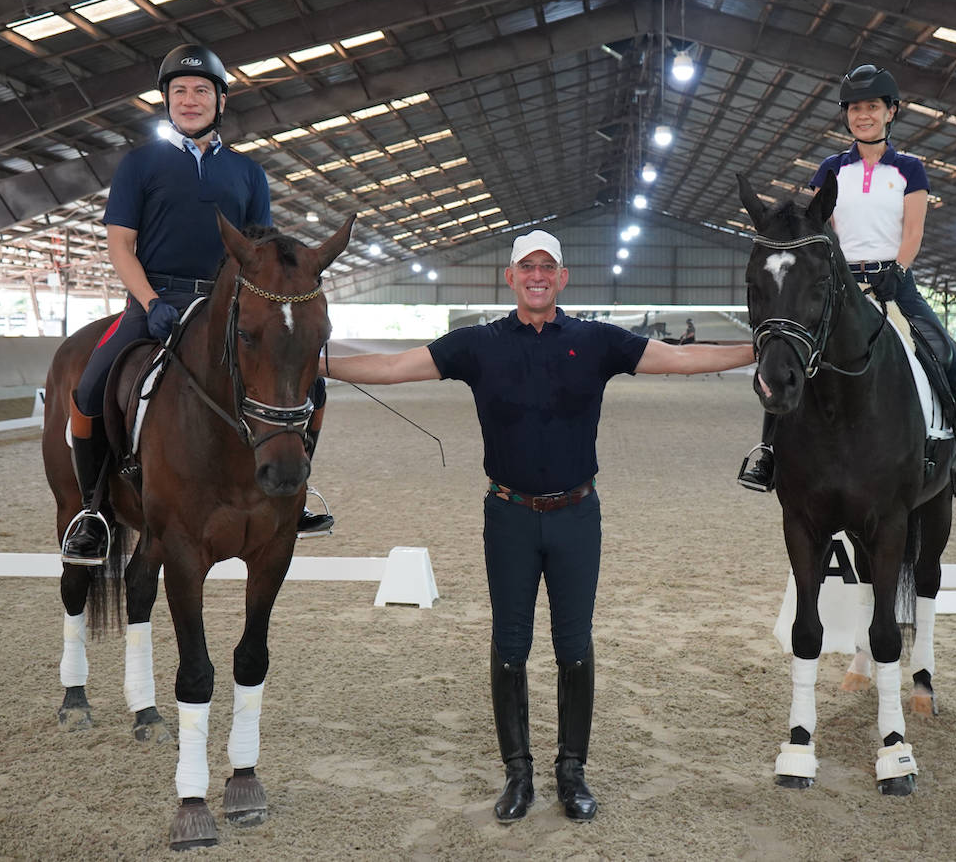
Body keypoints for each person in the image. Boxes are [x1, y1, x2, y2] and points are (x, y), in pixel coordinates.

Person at [321, 230, 754, 823]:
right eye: (527, 266)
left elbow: (678, 359)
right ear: (511, 277)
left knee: (574, 647)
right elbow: (396, 365)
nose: (538, 275)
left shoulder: (596, 341)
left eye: (548, 266)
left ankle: (572, 771)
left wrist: (759, 348)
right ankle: (517, 773)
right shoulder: (477, 345)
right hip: (509, 516)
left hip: (577, 514)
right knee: (511, 646)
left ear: (563, 278)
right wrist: (313, 363)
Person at [59, 43, 329, 566]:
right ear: (165, 100)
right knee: (91, 386)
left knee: (310, 386)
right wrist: (151, 301)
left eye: (201, 90)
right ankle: (91, 509)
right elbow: (120, 245)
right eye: (179, 91)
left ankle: (291, 495)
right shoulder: (140, 164)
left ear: (220, 101)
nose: (189, 99)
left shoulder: (248, 173)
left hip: (226, 306)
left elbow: (261, 249)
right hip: (153, 299)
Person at [737, 63, 956, 497]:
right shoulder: (830, 170)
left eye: (872, 107)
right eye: (855, 108)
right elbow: (819, 228)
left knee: (948, 355)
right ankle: (769, 452)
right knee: (792, 353)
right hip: (841, 287)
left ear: (891, 112)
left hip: (895, 284)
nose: (863, 115)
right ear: (847, 115)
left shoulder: (910, 170)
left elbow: (913, 232)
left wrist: (897, 272)